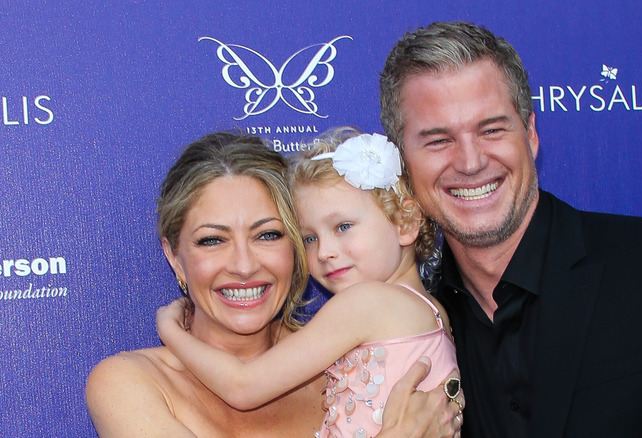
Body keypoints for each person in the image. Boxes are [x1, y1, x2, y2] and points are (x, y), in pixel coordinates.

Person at [379, 21, 642, 438]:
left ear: (531, 134)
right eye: (438, 140)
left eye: (492, 129)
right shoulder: (409, 330)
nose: (470, 161)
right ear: (403, 164)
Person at [85, 131, 461, 437]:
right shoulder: (129, 384)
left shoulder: (337, 367)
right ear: (173, 256)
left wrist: (170, 329)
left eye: (267, 235)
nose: (244, 266)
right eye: (212, 240)